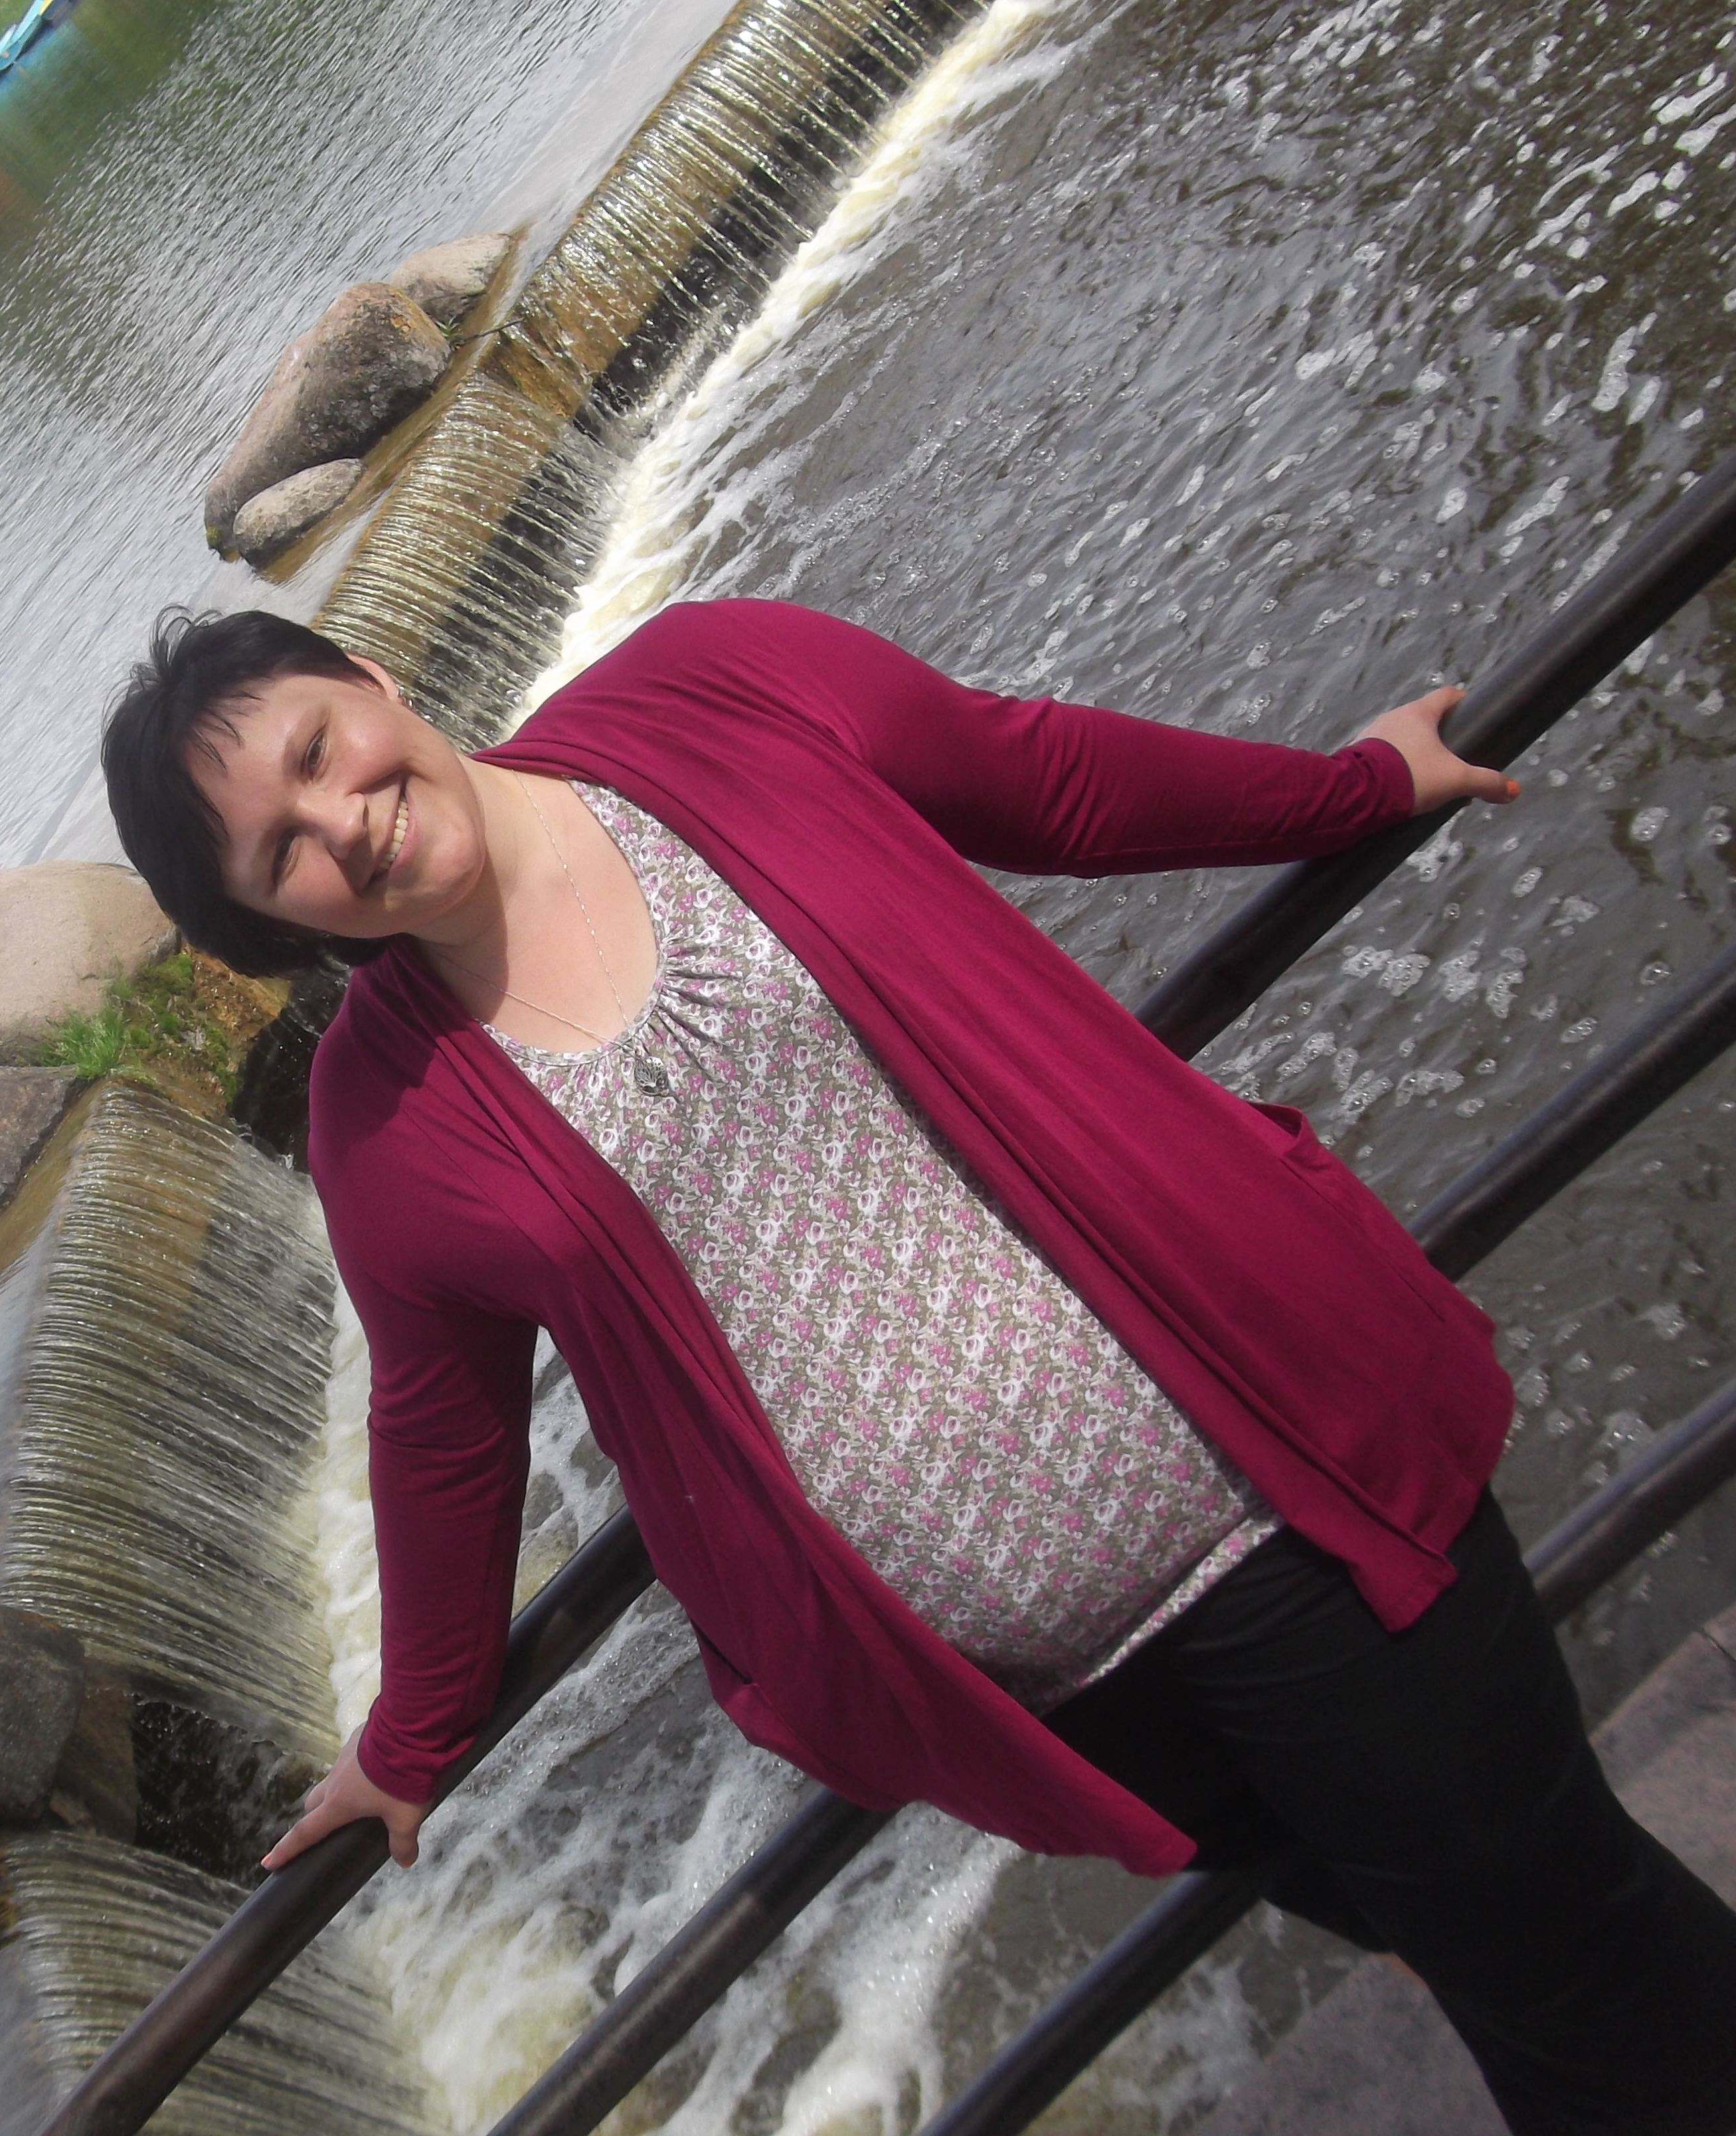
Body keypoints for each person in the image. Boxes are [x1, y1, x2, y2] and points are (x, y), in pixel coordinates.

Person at [98, 598, 1736, 2136]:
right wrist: (410, 1735)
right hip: (1061, 1700)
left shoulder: (706, 689)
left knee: (1566, 1958)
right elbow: (441, 1433)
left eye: (317, 750)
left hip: (1269, 1504)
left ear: (371, 684)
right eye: (279, 851)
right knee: (1516, 1957)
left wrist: (1354, 786)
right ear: (275, 924)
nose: (341, 823)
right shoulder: (381, 1121)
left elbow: (1043, 776)